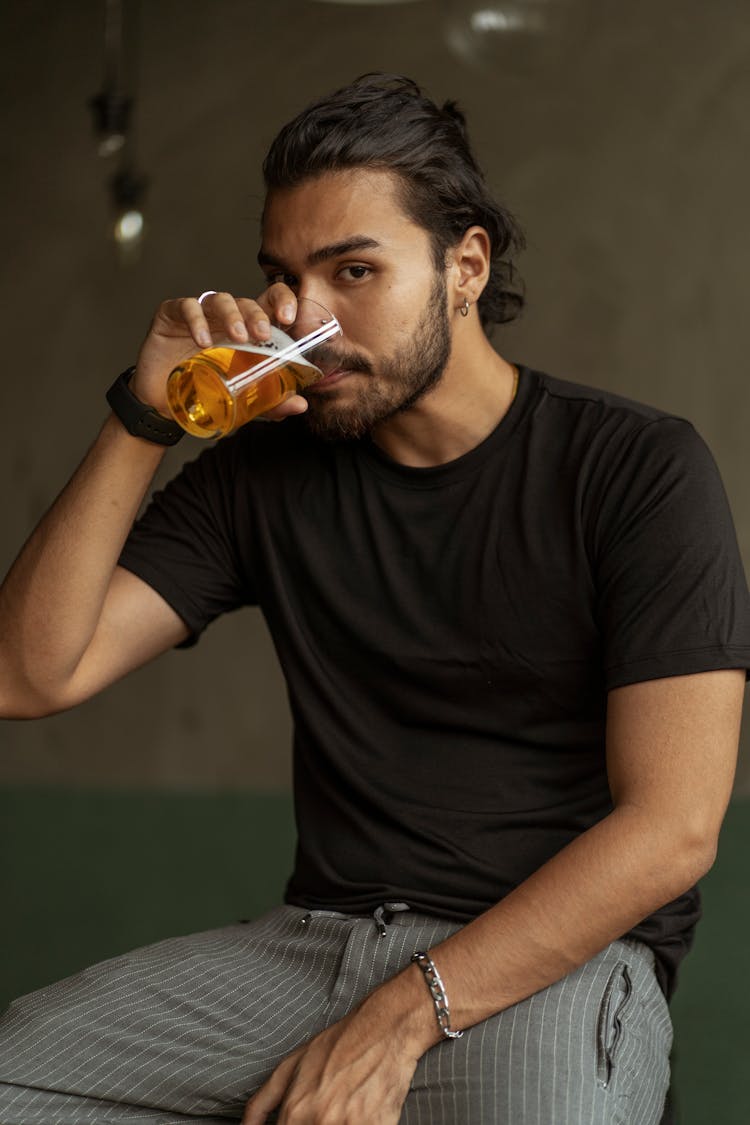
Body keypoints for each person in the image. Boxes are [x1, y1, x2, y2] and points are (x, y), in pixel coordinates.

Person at [0, 73, 748, 1125]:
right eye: (284, 277)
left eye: (354, 270)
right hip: (310, 947)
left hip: (550, 960)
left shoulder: (635, 469)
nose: (305, 316)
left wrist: (401, 1016)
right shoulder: (262, 475)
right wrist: (143, 415)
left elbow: (672, 829)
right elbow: (27, 675)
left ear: (465, 267)